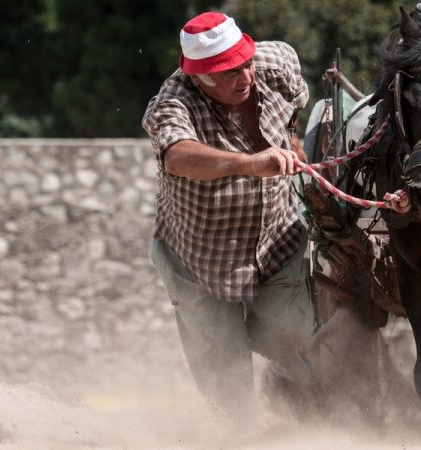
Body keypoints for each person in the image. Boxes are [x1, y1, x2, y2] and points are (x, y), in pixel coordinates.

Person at [141, 11, 314, 422]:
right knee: (224, 373)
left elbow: (295, 111)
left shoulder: (279, 62)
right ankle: (241, 437)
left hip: (278, 243)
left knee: (296, 337)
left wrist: (290, 141)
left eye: (245, 63)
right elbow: (179, 156)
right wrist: (251, 163)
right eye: (228, 72)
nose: (245, 76)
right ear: (200, 77)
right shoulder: (171, 104)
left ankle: (301, 422)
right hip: (200, 260)